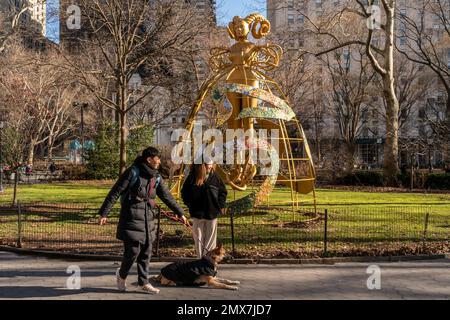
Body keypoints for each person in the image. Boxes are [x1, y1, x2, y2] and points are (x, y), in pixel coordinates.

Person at [98, 146, 187, 294]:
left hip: (148, 219)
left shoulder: (156, 176)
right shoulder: (133, 172)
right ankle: (121, 275)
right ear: (149, 159)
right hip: (131, 218)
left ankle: (143, 282)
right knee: (132, 252)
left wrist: (180, 213)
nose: (159, 161)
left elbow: (167, 197)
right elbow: (115, 192)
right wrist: (104, 213)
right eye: (157, 158)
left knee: (146, 252)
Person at [181, 159, 227, 258]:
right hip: (197, 213)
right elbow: (184, 193)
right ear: (202, 166)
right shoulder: (192, 177)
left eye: (211, 165)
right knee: (198, 238)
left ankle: (209, 260)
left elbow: (223, 192)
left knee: (210, 239)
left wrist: (220, 205)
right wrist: (190, 204)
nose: (210, 168)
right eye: (208, 166)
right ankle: (200, 259)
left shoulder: (215, 177)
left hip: (212, 212)